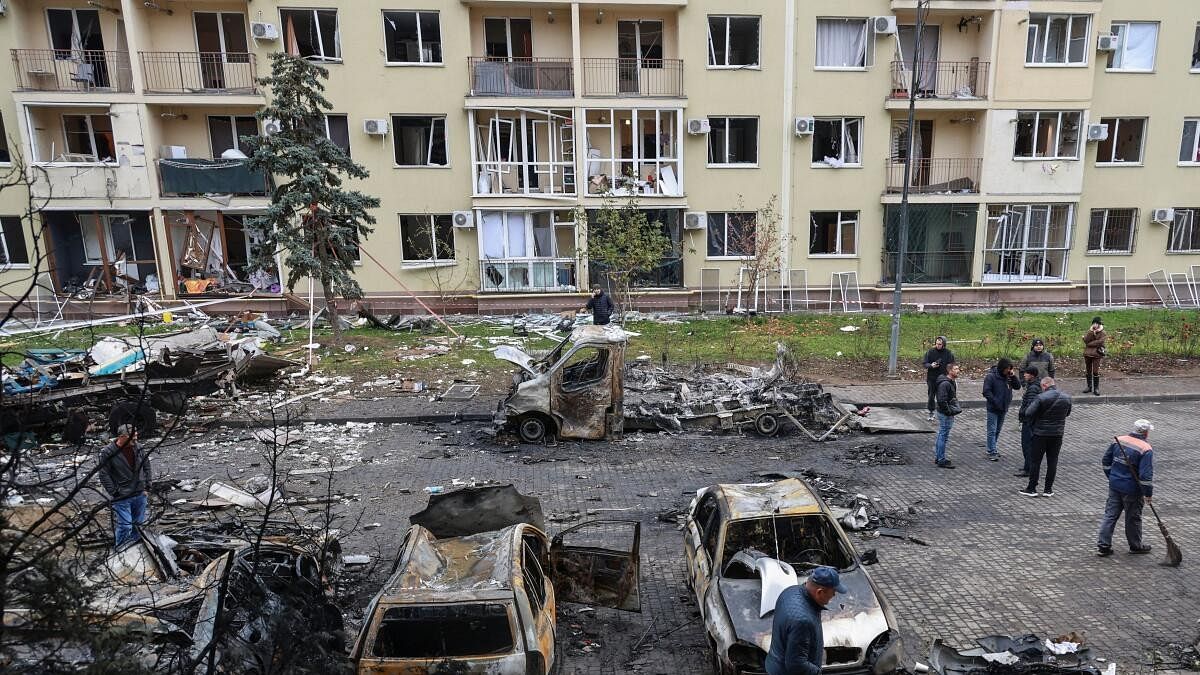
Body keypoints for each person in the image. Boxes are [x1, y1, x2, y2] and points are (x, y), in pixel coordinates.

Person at [765, 566, 847, 675]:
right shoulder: (802, 621)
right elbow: (796, 664)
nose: (834, 595)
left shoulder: (789, 591)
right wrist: (817, 672)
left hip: (775, 663)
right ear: (820, 592)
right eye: (833, 591)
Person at [1097, 419, 1155, 556]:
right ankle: (1135, 546)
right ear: (1146, 432)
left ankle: (1103, 546)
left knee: (1110, 515)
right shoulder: (1145, 449)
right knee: (1133, 518)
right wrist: (1148, 493)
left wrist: (1111, 476)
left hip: (1115, 485)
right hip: (1132, 490)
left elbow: (1106, 461)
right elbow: (1145, 476)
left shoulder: (1119, 440)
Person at [97, 424, 152, 548]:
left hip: (139, 493)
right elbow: (104, 474)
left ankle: (136, 551)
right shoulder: (108, 452)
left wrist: (147, 486)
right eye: (133, 438)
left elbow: (147, 466)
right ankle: (120, 552)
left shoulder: (139, 448)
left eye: (136, 437)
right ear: (122, 437)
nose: (135, 441)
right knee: (125, 526)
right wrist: (115, 492)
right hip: (122, 496)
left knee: (138, 525)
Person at [1020, 377, 1072, 497]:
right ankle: (1048, 490)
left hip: (1040, 434)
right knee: (1052, 461)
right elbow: (1068, 413)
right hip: (1058, 434)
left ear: (1044, 386)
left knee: (1035, 461)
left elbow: (1028, 412)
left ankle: (1032, 488)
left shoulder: (1041, 397)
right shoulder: (1067, 397)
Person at [982, 357, 1021, 461]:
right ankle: (991, 451)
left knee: (997, 430)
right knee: (992, 430)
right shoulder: (991, 377)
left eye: (1010, 369)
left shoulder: (1008, 377)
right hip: (993, 408)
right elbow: (986, 391)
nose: (1008, 371)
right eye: (1007, 368)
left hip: (1003, 408)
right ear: (1002, 368)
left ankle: (993, 448)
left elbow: (1017, 386)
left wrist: (1013, 377)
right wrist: (995, 401)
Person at [933, 362, 962, 469]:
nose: (958, 371)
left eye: (958, 368)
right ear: (950, 371)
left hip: (945, 412)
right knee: (943, 436)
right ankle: (941, 459)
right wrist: (949, 412)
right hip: (945, 414)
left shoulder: (951, 382)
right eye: (955, 369)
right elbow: (941, 400)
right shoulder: (945, 384)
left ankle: (938, 456)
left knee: (942, 434)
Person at [1014, 366, 1042, 478]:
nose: (1024, 375)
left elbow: (1030, 406)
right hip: (1031, 421)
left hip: (1029, 422)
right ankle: (1027, 466)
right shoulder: (1034, 385)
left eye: (1026, 374)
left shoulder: (1033, 388)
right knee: (1028, 445)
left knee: (1027, 445)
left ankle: (1028, 468)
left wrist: (1023, 414)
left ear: (1032, 375)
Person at [922, 336, 955, 422]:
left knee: (943, 396)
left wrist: (950, 375)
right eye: (936, 344)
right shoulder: (930, 352)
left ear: (944, 344)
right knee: (931, 396)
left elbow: (951, 364)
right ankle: (931, 412)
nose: (938, 345)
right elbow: (924, 363)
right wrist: (931, 365)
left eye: (940, 344)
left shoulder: (948, 353)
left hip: (943, 379)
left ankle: (945, 411)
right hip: (932, 378)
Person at [1083, 316, 1107, 396]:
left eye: (1096, 323)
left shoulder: (1103, 333)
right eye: (1094, 323)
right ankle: (1089, 387)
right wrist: (1091, 333)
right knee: (1088, 370)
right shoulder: (1089, 331)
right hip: (1087, 353)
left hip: (1097, 354)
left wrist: (1089, 344)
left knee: (1095, 371)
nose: (1095, 325)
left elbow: (1099, 342)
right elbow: (1086, 340)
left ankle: (1096, 388)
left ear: (1099, 324)